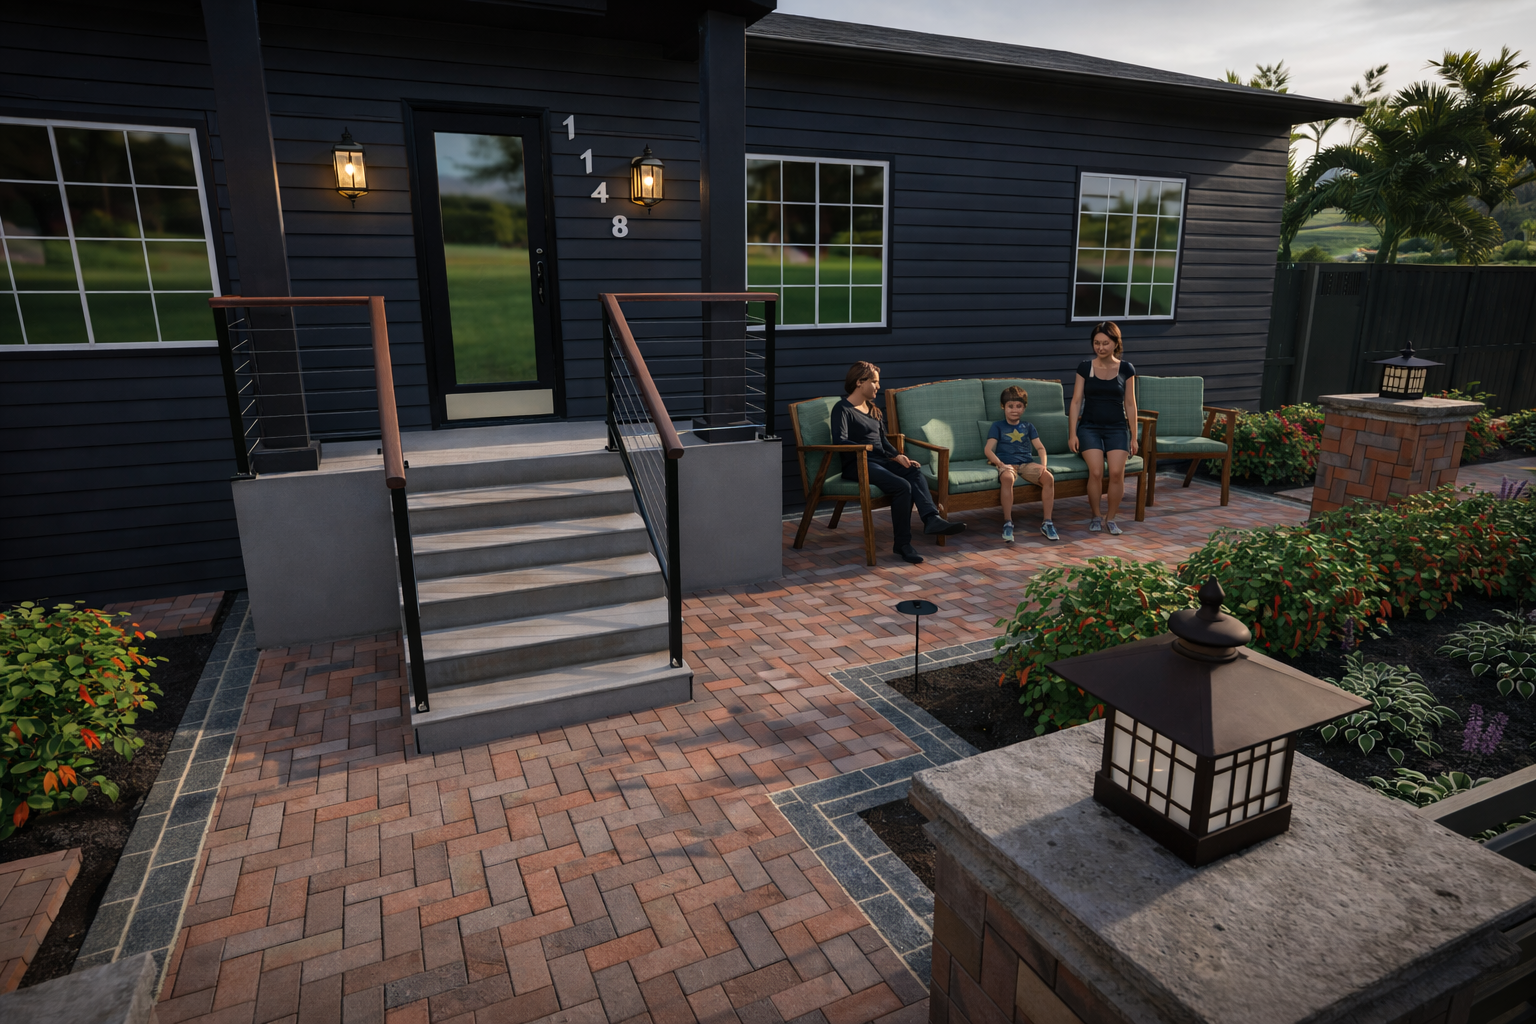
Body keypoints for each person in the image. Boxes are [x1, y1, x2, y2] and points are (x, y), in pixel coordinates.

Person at [831, 361, 965, 564]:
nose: (878, 386)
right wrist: (868, 449)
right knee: (902, 486)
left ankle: (931, 519)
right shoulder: (843, 409)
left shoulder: (873, 410)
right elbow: (840, 440)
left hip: (880, 461)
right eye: (874, 382)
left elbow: (883, 441)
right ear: (860, 382)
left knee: (912, 471)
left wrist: (898, 455)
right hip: (859, 464)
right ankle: (903, 544)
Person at [1068, 321, 1138, 535]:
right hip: (1089, 428)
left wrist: (1134, 437)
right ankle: (1096, 515)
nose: (1100, 347)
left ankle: (1111, 518)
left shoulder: (1126, 369)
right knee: (1096, 472)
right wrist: (1072, 433)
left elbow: (1130, 404)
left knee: (1117, 473)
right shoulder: (1084, 367)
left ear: (1116, 343)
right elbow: (1076, 401)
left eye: (1105, 343)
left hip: (1117, 428)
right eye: (1096, 343)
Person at [984, 385, 1057, 542]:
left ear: (1024, 408)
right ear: (1003, 407)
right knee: (1008, 479)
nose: (1014, 410)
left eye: (1019, 406)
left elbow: (1040, 448)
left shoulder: (1028, 427)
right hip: (1007, 464)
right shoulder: (997, 426)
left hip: (1026, 464)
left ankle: (1047, 522)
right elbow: (988, 450)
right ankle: (1008, 522)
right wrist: (1000, 464)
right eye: (1010, 406)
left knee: (1048, 478)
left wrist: (1043, 466)